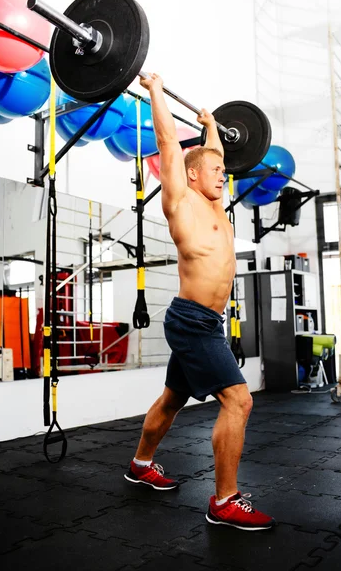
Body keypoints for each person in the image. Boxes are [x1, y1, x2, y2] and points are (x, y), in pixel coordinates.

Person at [124, 73, 275, 531]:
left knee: (172, 400)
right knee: (238, 401)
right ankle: (224, 501)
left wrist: (212, 125)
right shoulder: (182, 201)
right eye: (213, 172)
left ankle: (140, 463)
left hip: (209, 323)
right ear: (192, 175)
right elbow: (171, 144)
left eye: (222, 172)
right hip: (191, 320)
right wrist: (154, 90)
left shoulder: (216, 202)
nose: (222, 176)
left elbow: (218, 155)